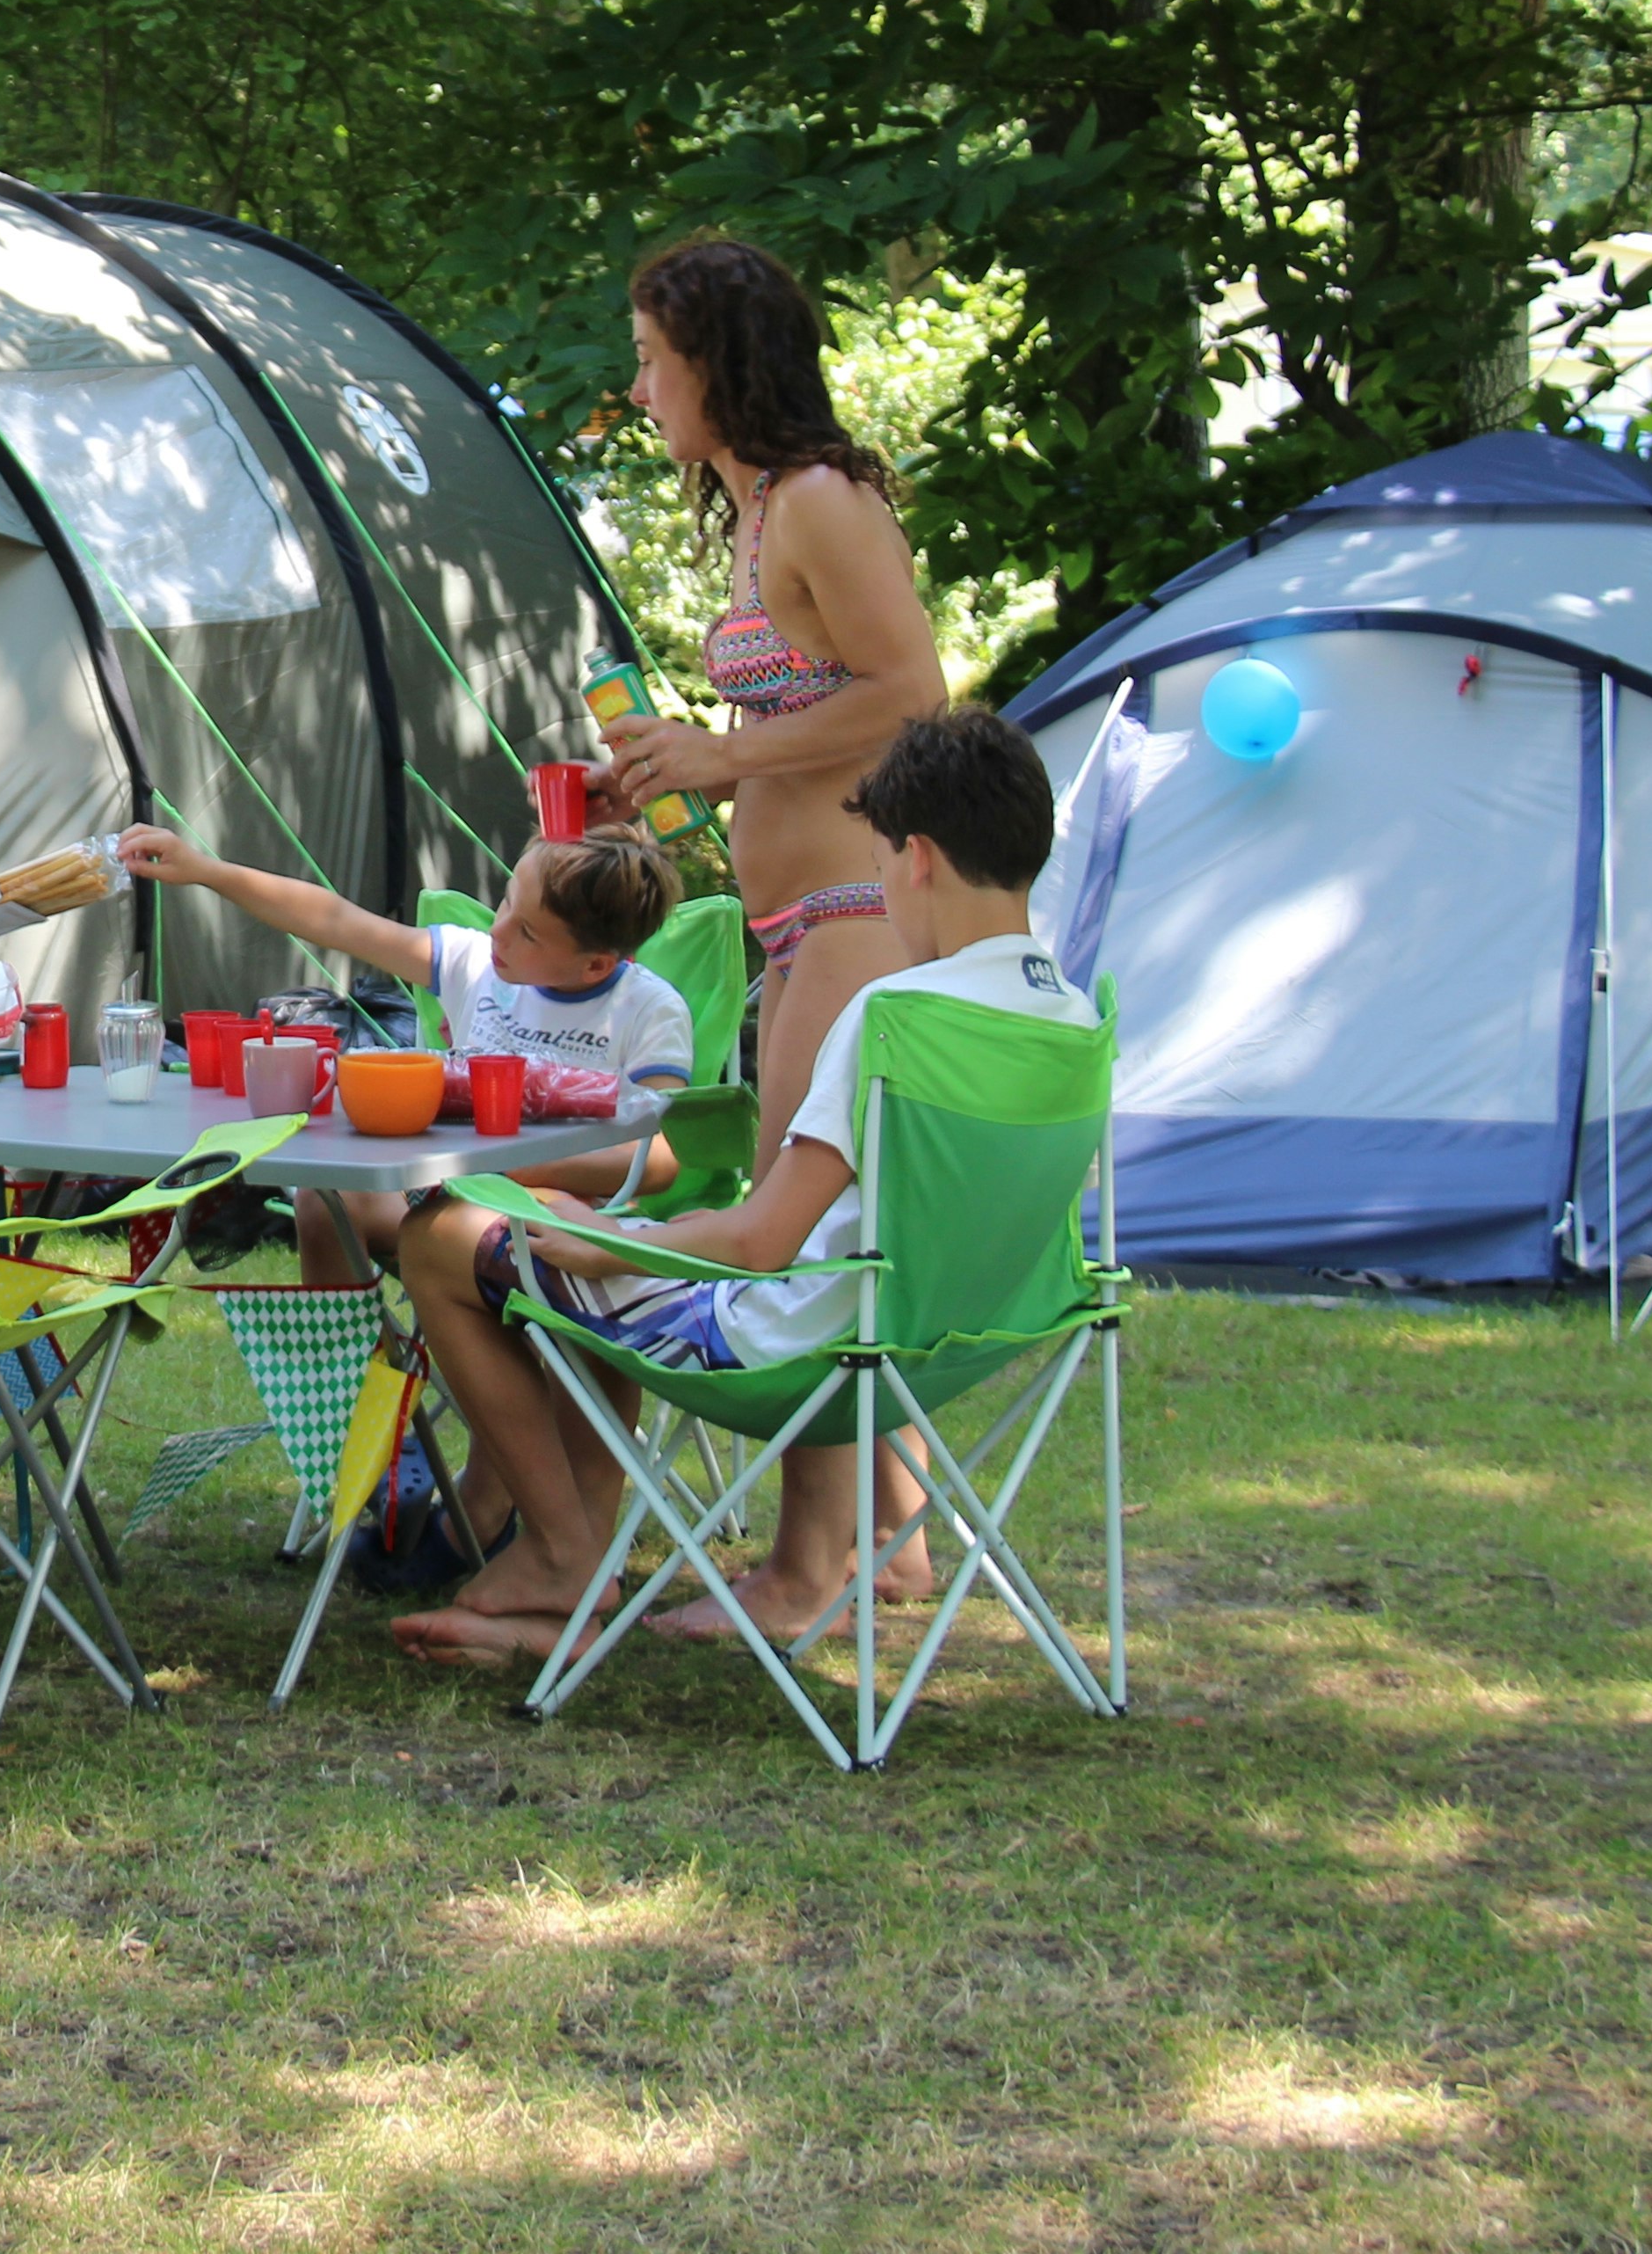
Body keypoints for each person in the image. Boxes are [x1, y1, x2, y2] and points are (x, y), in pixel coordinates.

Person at [389, 707, 1089, 1666]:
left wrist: (609, 1242)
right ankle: (568, 1562)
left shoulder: (898, 1014)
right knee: (570, 1250)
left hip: (793, 1347)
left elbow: (762, 1243)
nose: (881, 885)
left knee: (443, 1240)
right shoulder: (1073, 1016)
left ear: (915, 858)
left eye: (879, 861)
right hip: (944, 1353)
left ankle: (557, 1558)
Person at [587, 237, 950, 1596]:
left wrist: (727, 757)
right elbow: (799, 716)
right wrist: (680, 775)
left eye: (650, 362)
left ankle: (808, 1567)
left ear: (715, 365)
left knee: (800, 1230)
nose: (638, 392)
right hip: (799, 915)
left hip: (858, 908)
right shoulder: (757, 511)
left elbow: (913, 689)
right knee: (838, 1221)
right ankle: (899, 1539)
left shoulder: (816, 500)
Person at [110, 820, 689, 1290]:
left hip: (565, 1213)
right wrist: (207, 871)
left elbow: (659, 1160)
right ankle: (362, 1412)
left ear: (595, 965)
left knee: (451, 1232)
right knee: (326, 1197)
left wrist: (510, 1160)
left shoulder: (646, 1010)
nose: (499, 932)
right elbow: (335, 920)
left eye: (529, 934)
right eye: (507, 902)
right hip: (448, 1193)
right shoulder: (474, 967)